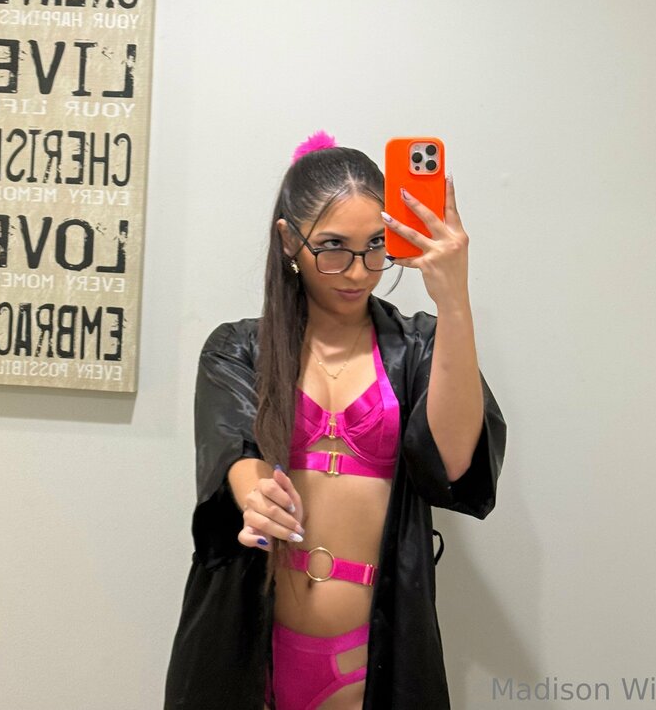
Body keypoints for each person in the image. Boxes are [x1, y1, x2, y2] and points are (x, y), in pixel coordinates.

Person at [164, 132, 506, 710]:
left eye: (375, 246)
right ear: (288, 241)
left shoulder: (419, 348)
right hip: (247, 651)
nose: (357, 271)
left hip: (368, 660)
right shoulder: (238, 349)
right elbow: (234, 451)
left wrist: (453, 300)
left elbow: (452, 464)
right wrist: (256, 498)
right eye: (332, 247)